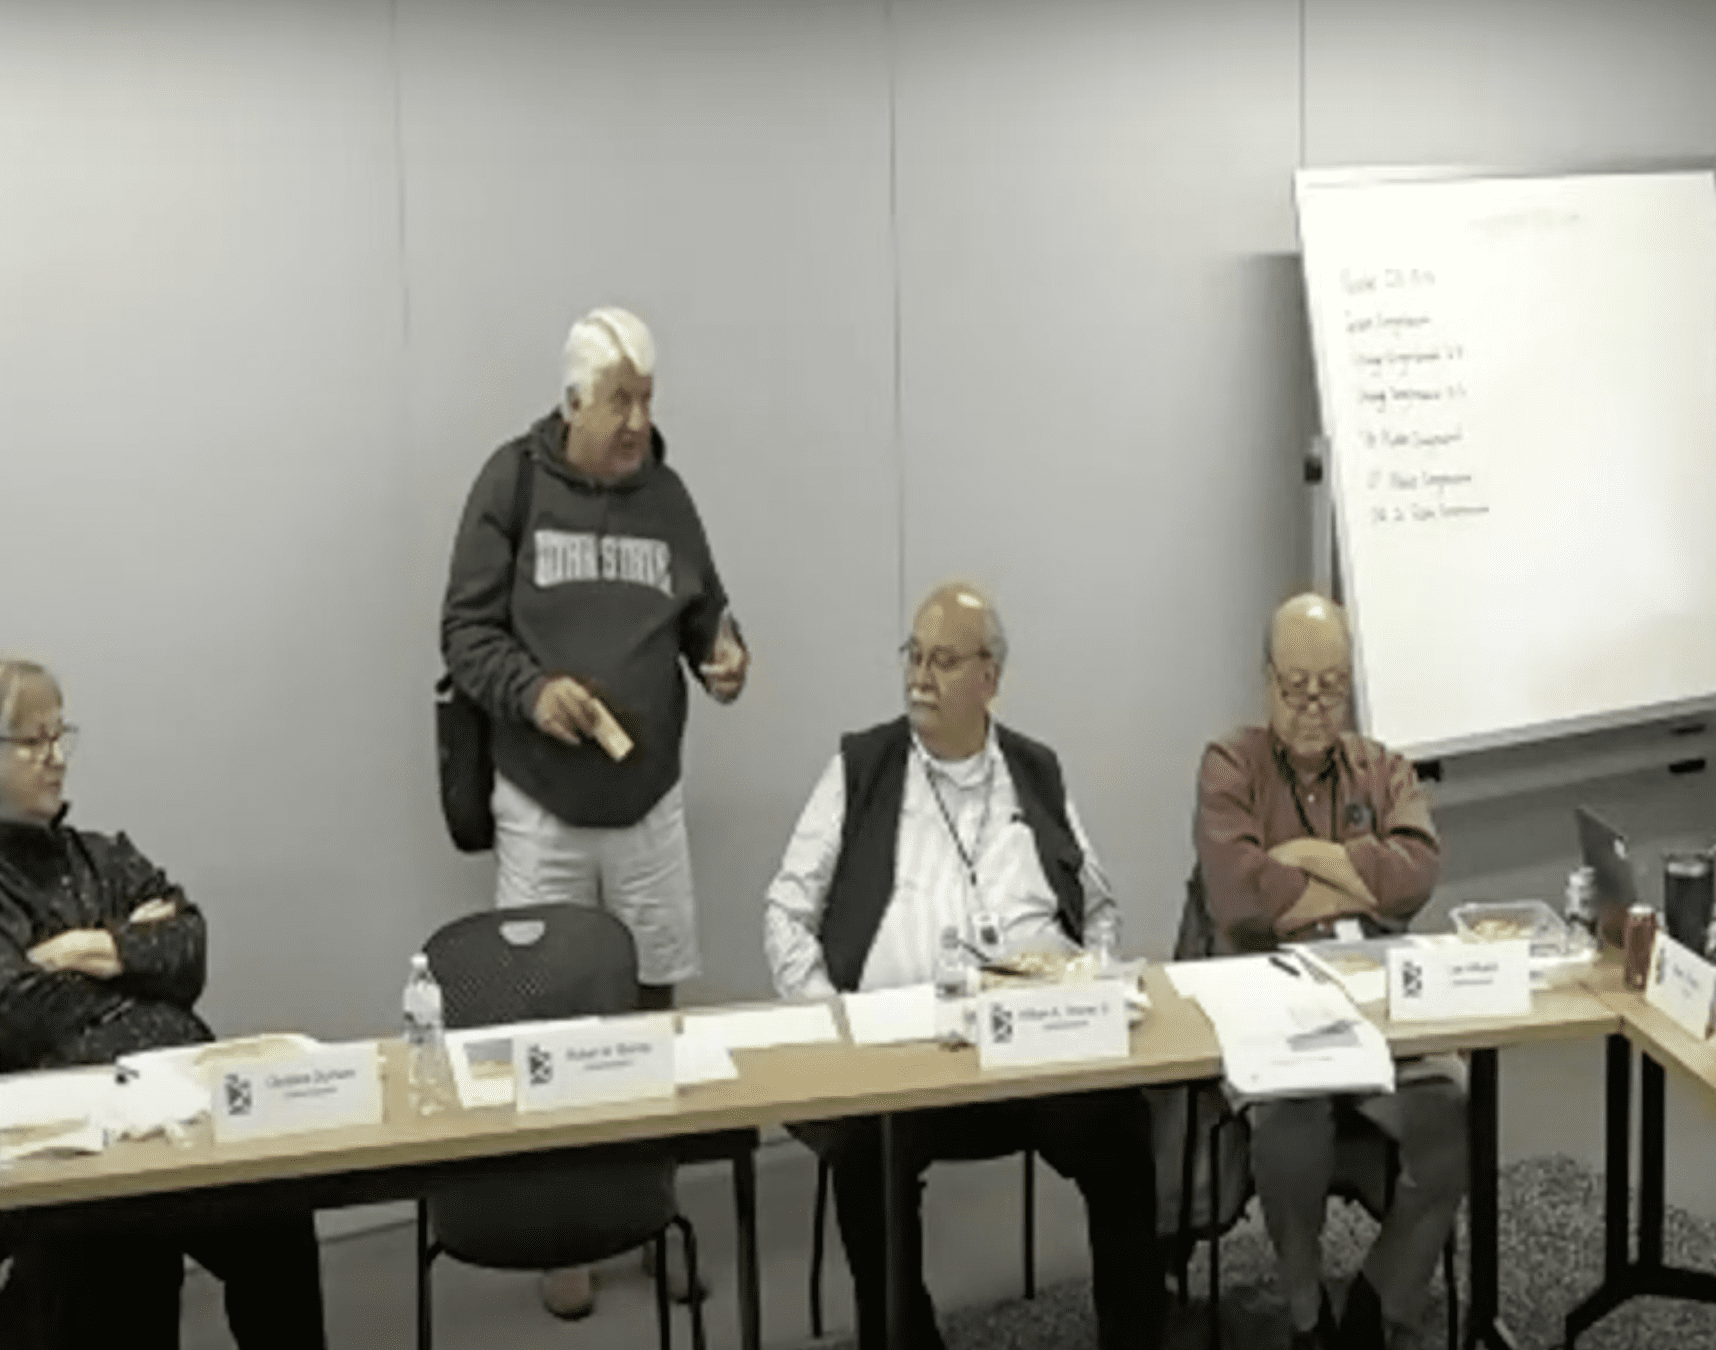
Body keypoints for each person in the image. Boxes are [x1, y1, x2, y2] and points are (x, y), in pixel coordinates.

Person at [440, 305, 747, 1317]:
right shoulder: (512, 484)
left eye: (647, 398)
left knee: (654, 1008)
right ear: (573, 401)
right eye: (620, 399)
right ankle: (558, 1229)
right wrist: (532, 692)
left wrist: (724, 654)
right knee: (547, 1017)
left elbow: (705, 610)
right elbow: (464, 634)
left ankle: (649, 1212)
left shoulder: (667, 494)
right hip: (542, 803)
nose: (636, 419)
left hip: (648, 800)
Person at [764, 583, 1163, 1350]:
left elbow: (1100, 903)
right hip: (904, 1058)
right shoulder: (861, 767)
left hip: (1035, 1048)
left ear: (991, 677)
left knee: (1120, 1124)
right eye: (913, 655)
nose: (919, 676)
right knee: (862, 1154)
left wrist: (1091, 985)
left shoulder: (1036, 770)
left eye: (943, 660)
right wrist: (834, 1021)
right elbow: (785, 910)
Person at [0, 657, 327, 1350]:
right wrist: (132, 952)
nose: (56, 759)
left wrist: (76, 948)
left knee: (278, 1216)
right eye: (32, 742)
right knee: (119, 1247)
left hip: (183, 1112)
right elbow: (14, 1007)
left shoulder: (105, 856)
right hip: (73, 1144)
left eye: (60, 736)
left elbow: (188, 948)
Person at [1193, 593, 1465, 1350]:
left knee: (1454, 1107)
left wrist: (1310, 857)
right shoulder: (1230, 764)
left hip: (1376, 998)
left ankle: (1382, 1299)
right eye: (1296, 687)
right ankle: (1307, 1311)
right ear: (1265, 681)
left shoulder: (1383, 769)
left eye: (1332, 687)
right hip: (1267, 994)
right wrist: (1357, 877)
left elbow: (1418, 875)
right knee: (1290, 1112)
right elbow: (1238, 896)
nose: (1315, 706)